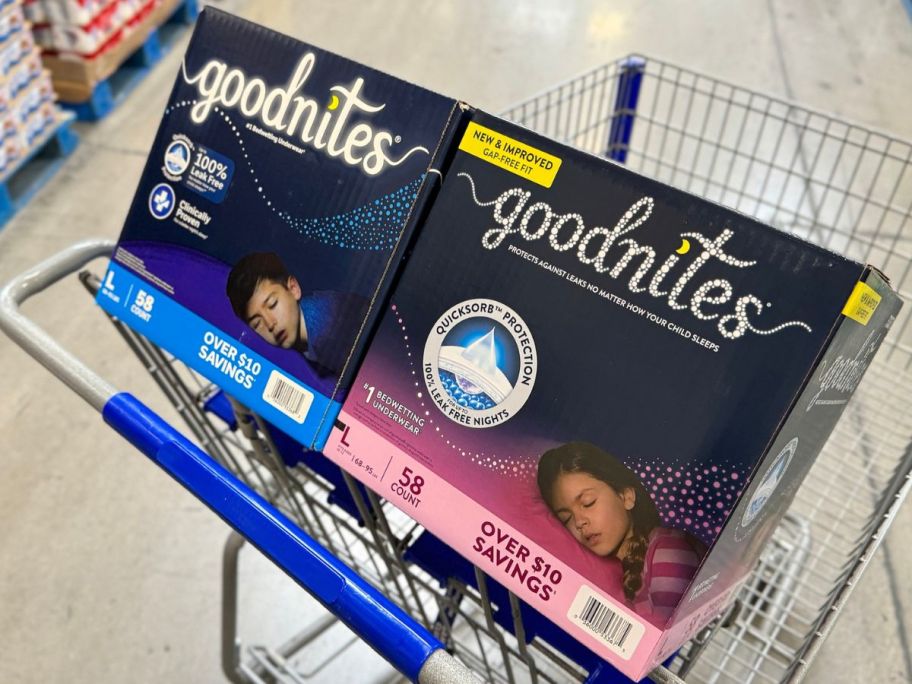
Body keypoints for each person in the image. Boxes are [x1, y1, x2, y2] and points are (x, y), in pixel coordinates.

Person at [537, 441, 706, 623]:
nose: (579, 522)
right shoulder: (603, 571)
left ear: (626, 496)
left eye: (588, 502)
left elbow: (659, 633)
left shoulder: (668, 552)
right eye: (566, 519)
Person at [226, 252, 368, 378]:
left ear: (293, 288)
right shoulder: (306, 340)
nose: (270, 324)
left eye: (272, 304)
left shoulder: (329, 333)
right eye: (257, 324)